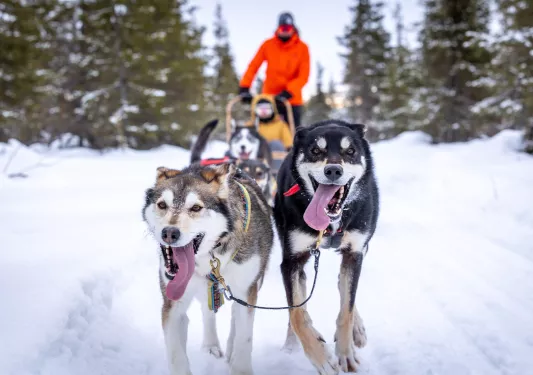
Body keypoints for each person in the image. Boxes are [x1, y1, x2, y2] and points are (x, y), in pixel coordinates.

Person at [238, 12, 310, 129]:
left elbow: (304, 75)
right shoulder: (268, 45)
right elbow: (254, 66)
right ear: (278, 28)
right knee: (266, 131)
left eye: (288, 28)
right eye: (283, 28)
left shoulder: (302, 48)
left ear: (293, 29)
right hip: (270, 99)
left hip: (292, 100)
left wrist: (289, 92)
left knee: (293, 133)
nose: (285, 30)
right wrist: (245, 86)